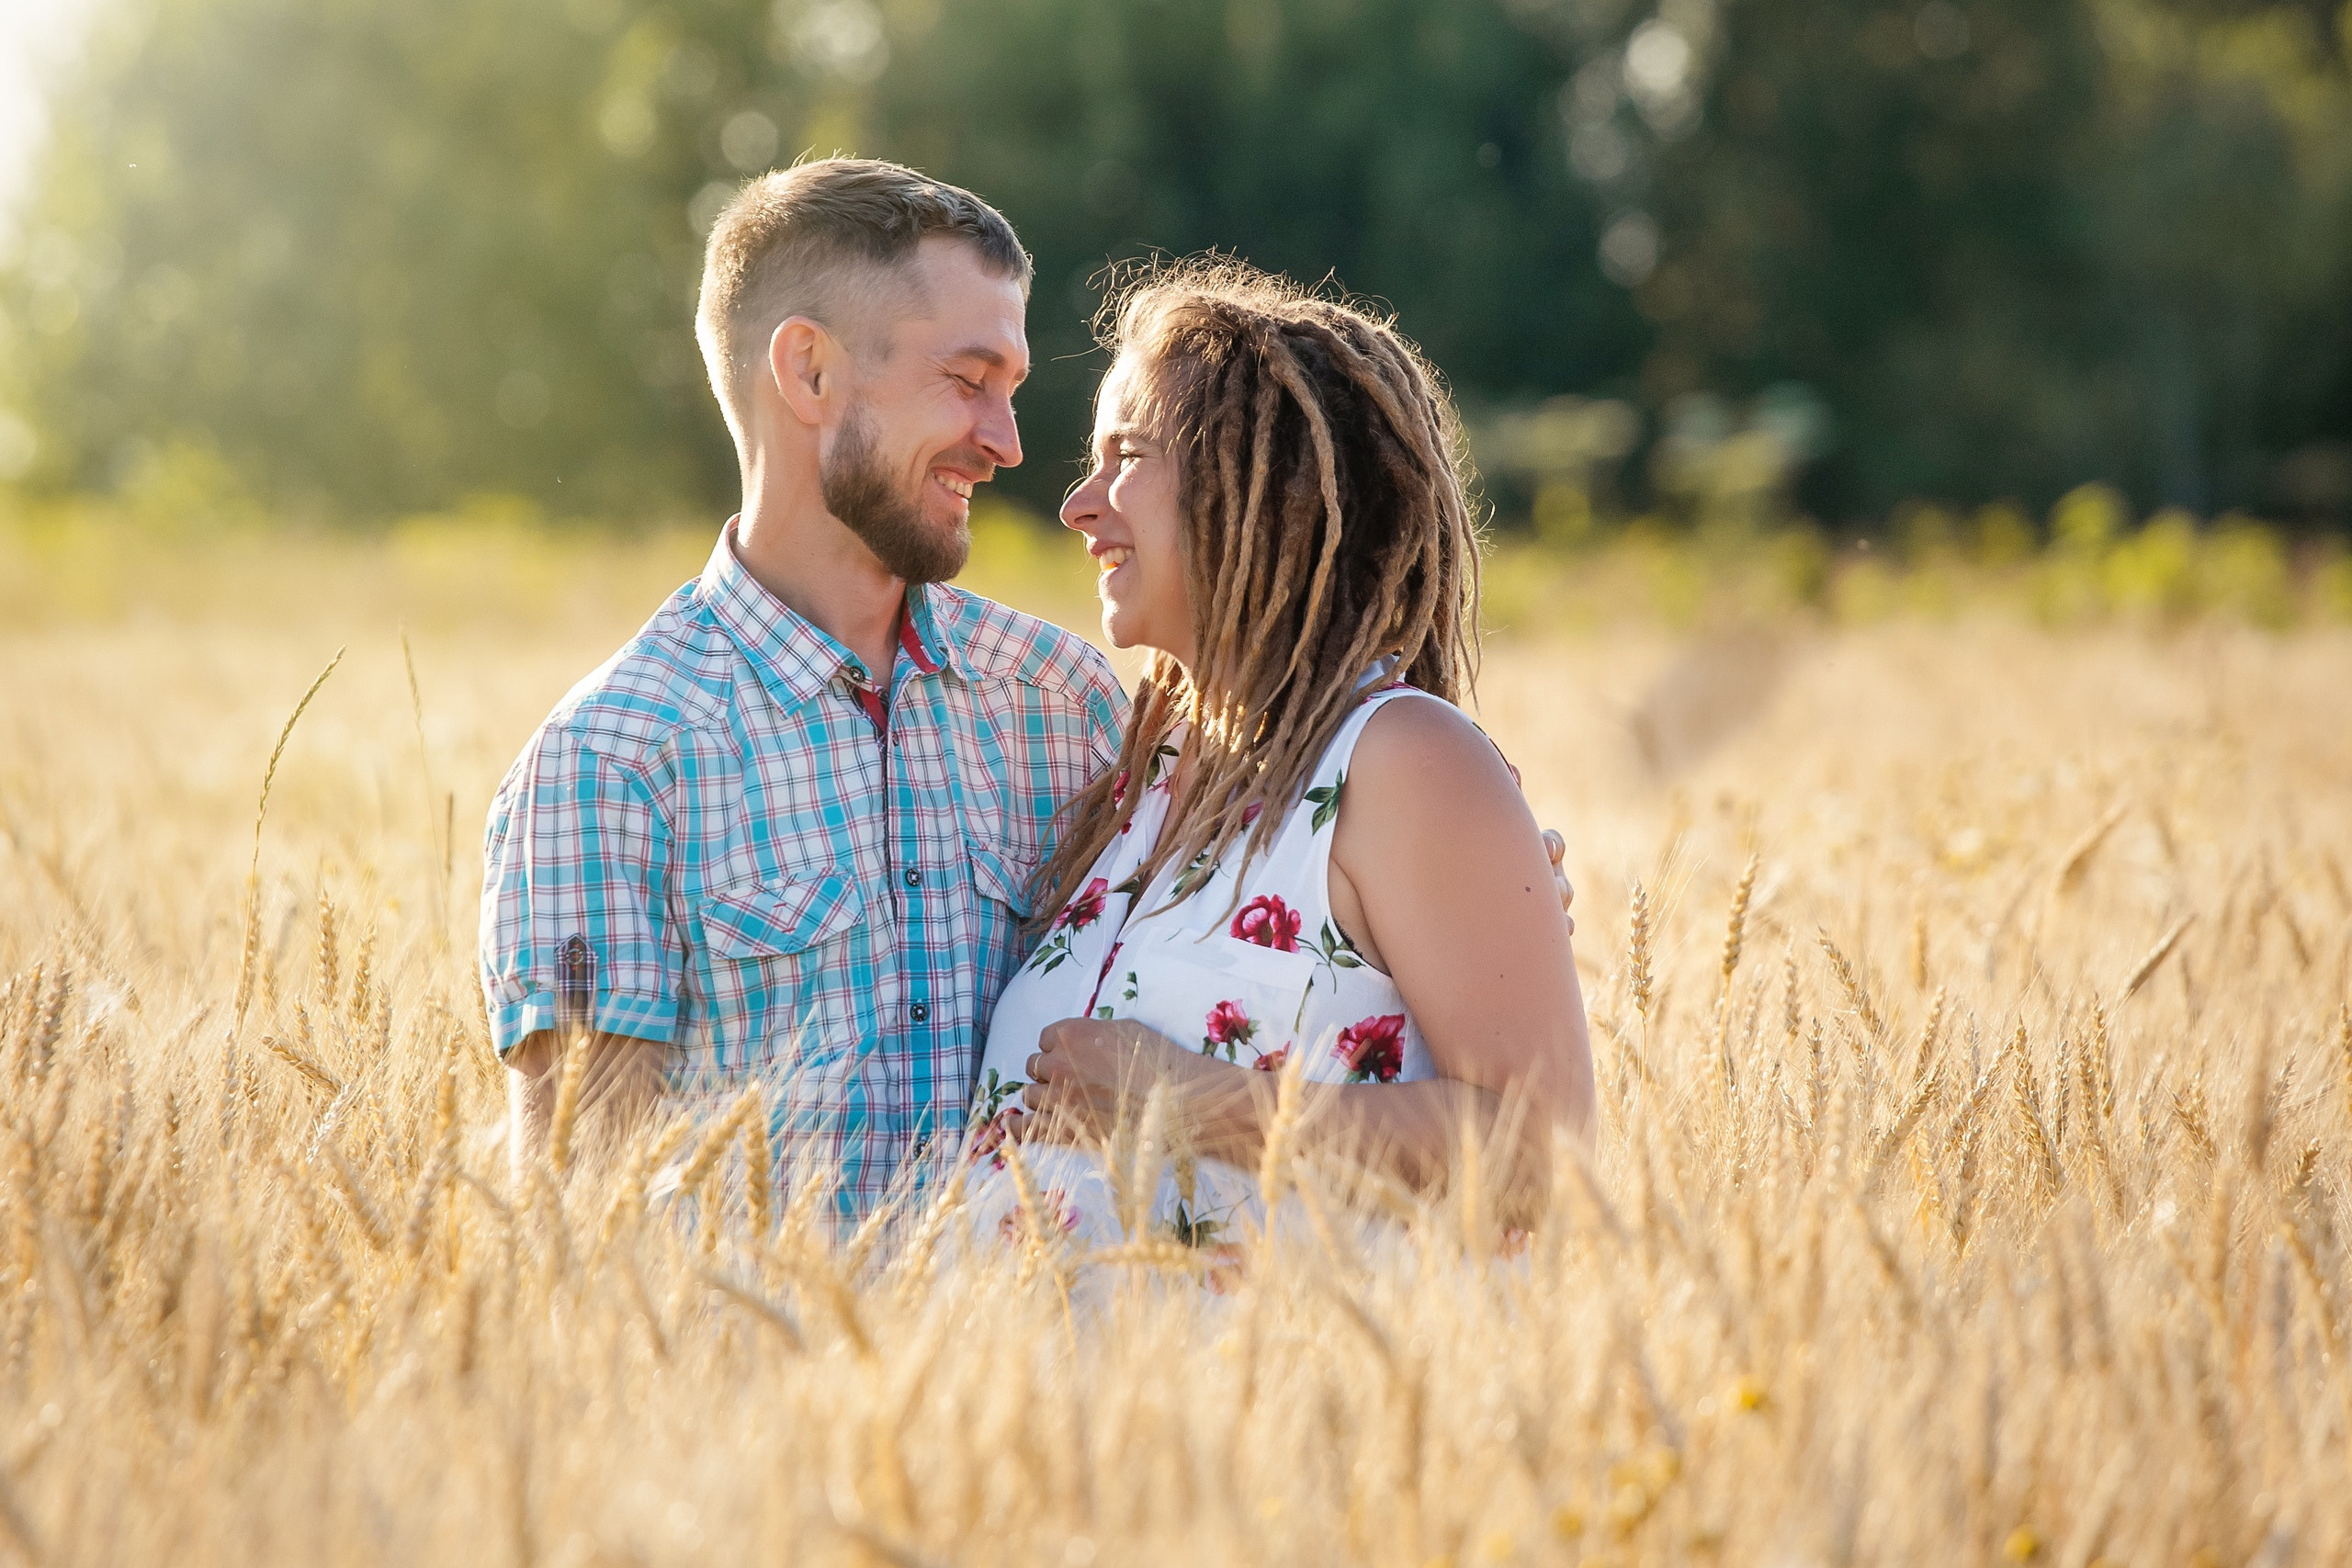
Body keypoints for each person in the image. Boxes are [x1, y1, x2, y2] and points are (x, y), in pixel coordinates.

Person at [482, 157, 1574, 1221]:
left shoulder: (1063, 703)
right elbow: (580, 1215)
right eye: (968, 383)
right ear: (809, 373)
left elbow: (1345, 942)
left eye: (1011, 391)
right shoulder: (610, 761)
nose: (1008, 446)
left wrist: (1479, 897)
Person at [966, 261, 1593, 1246]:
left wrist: (1188, 1103)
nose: (1079, 505)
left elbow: (1541, 1155)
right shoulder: (1139, 773)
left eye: (1127, 456)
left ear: (1271, 493)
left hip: (1306, 1349)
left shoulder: (1404, 760)